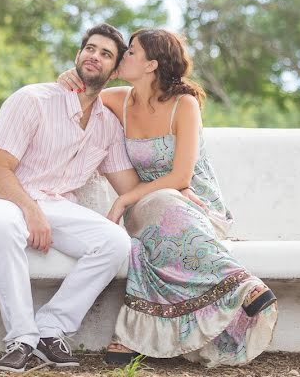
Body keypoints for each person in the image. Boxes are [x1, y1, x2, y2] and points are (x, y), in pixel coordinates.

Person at [58, 28, 278, 367]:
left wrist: (121, 200)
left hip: (195, 206)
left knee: (160, 219)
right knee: (149, 225)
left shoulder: (184, 105)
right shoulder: (118, 100)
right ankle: (237, 286)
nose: (122, 57)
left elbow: (181, 178)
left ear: (151, 65)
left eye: (130, 52)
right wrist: (68, 75)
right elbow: (82, 92)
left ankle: (231, 286)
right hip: (147, 205)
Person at [0, 23, 142, 373]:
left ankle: (51, 328)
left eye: (106, 54)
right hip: (6, 198)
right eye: (90, 48)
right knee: (3, 225)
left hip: (58, 205)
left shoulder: (108, 124)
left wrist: (178, 186)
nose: (95, 56)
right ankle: (21, 337)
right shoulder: (32, 100)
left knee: (114, 242)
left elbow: (128, 184)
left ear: (115, 69)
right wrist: (30, 211)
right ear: (78, 55)